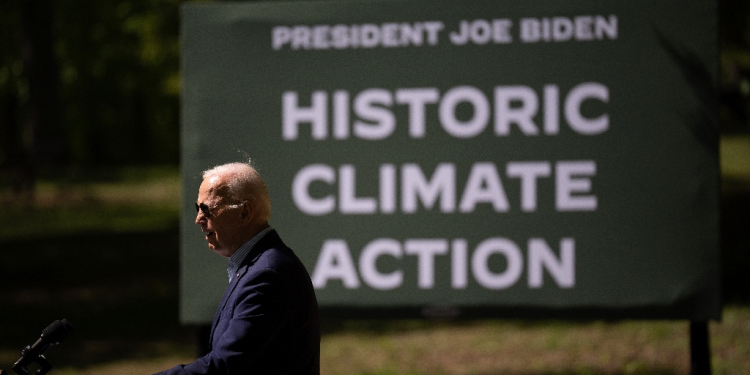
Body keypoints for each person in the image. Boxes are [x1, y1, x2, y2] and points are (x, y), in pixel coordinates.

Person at [155, 161, 320, 375]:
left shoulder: (268, 275)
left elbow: (225, 366)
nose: (198, 219)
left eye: (207, 209)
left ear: (244, 212)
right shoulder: (258, 266)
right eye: (198, 209)